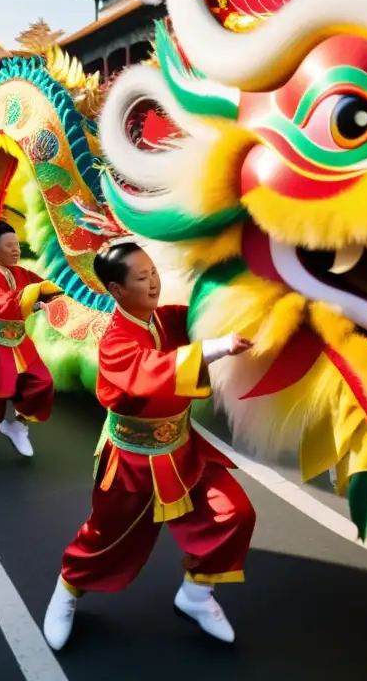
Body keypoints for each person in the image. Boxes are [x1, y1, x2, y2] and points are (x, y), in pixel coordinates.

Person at [42, 241, 255, 652]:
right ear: (116, 290)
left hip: (181, 449)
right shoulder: (116, 341)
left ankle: (195, 596)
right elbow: (152, 371)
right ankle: (67, 590)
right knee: (103, 539)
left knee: (233, 513)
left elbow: (195, 317)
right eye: (142, 278)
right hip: (133, 462)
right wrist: (217, 347)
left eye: (153, 272)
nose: (154, 282)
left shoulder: (163, 320)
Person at [0, 222, 61, 466]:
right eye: (9, 246)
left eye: (17, 245)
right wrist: (35, 294)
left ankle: (18, 426)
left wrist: (64, 290)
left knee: (41, 383)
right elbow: (9, 303)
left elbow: (43, 288)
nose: (16, 250)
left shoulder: (21, 272)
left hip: (18, 340)